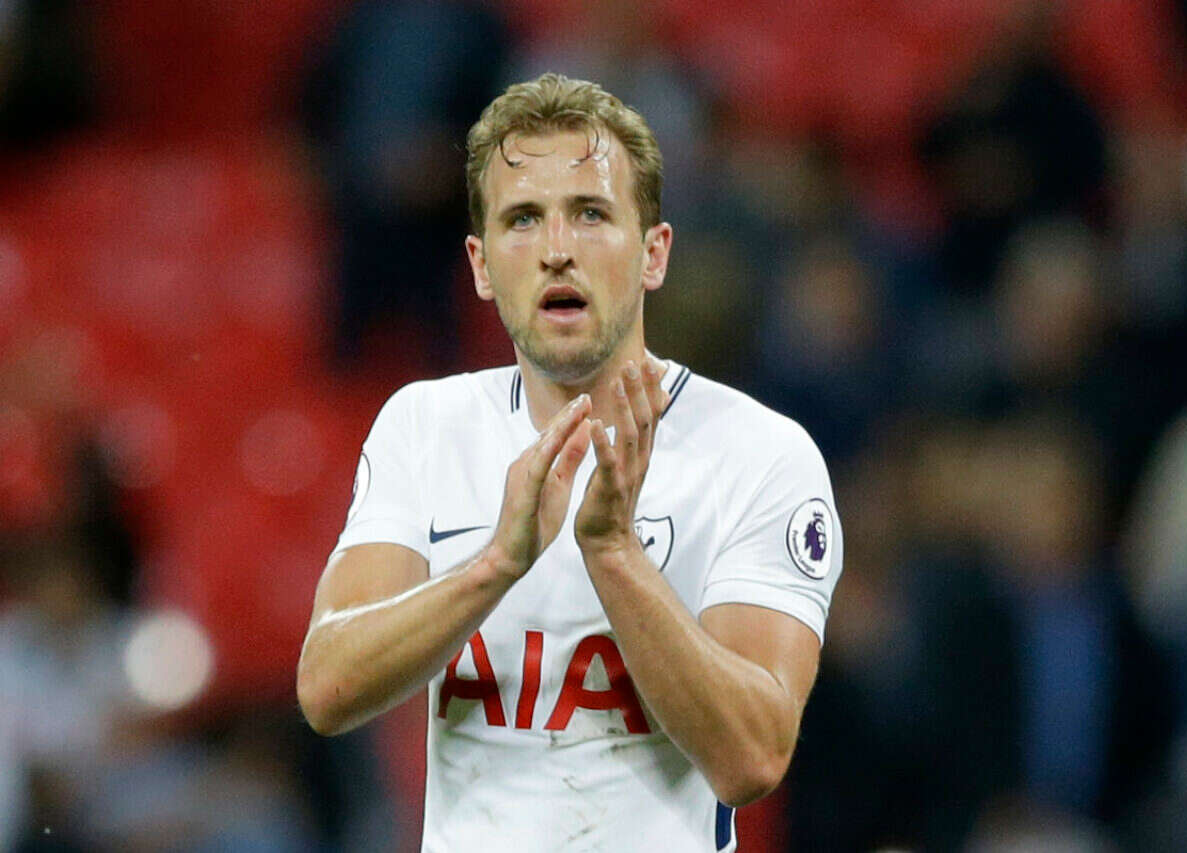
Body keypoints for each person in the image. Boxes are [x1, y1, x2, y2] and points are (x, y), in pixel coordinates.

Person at [296, 73, 844, 852]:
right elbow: (326, 688)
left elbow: (752, 757)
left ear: (654, 253)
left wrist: (614, 553)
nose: (557, 250)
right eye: (523, 219)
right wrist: (495, 564)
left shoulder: (758, 454)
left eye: (590, 213)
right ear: (482, 266)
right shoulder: (424, 427)